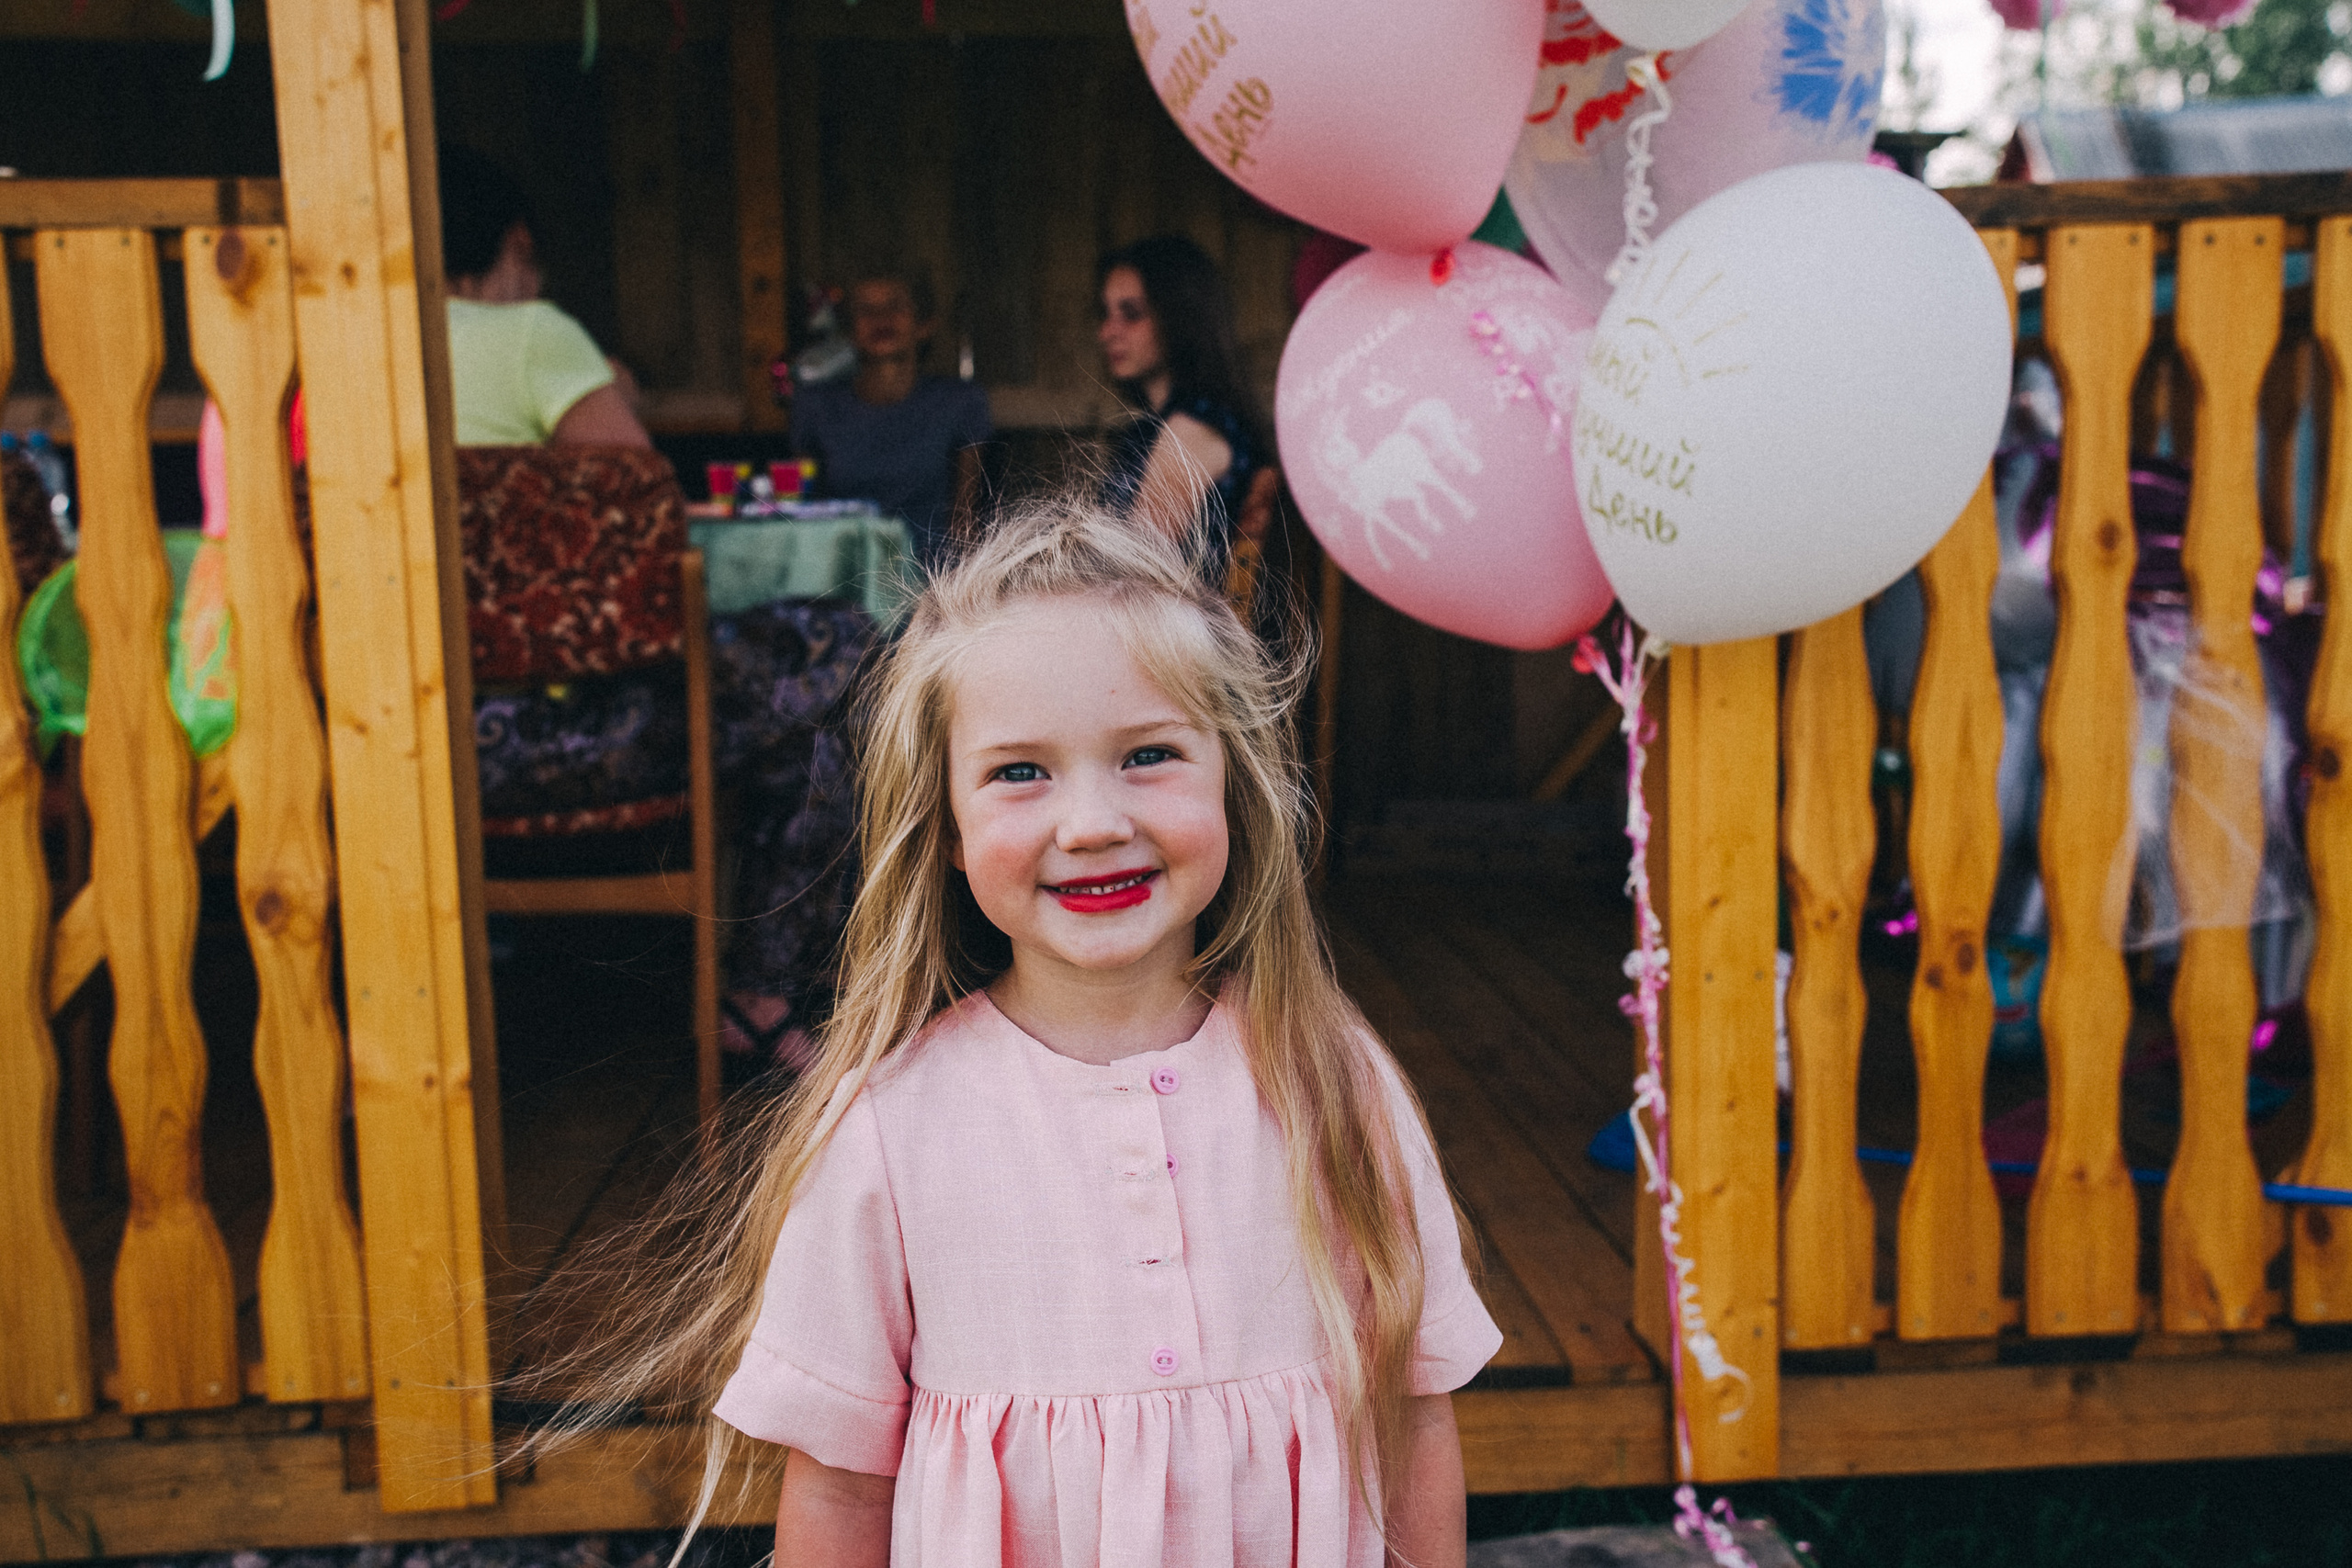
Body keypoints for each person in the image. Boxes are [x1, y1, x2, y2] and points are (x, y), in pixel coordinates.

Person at [543, 502, 1498, 1566]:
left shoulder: (1332, 1076)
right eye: (1019, 772)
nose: (1091, 824)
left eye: (1147, 754)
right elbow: (843, 1493)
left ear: (1233, 780)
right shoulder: (888, 1128)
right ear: (947, 828)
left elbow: (1414, 1419)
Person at [438, 144, 650, 448]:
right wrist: (616, 399)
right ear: (520, 242)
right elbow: (634, 473)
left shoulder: (379, 343)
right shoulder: (532, 331)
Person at [789, 267, 992, 569]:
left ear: (924, 324)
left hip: (930, 571)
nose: (881, 319)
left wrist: (960, 586)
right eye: (865, 310)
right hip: (842, 570)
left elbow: (965, 520)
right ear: (848, 331)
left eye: (895, 306)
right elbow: (803, 514)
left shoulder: (958, 402)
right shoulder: (817, 406)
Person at [1097, 235, 1270, 557]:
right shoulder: (1164, 424)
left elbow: (1137, 558)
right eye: (1106, 313)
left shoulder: (1195, 427)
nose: (1107, 332)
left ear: (1180, 317)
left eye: (1131, 313)